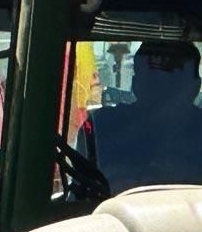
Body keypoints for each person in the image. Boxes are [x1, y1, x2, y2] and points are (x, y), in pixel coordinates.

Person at [84, 39, 202, 194]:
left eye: (173, 83)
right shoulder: (101, 128)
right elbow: (81, 193)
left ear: (195, 87)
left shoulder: (102, 127)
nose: (163, 95)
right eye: (153, 82)